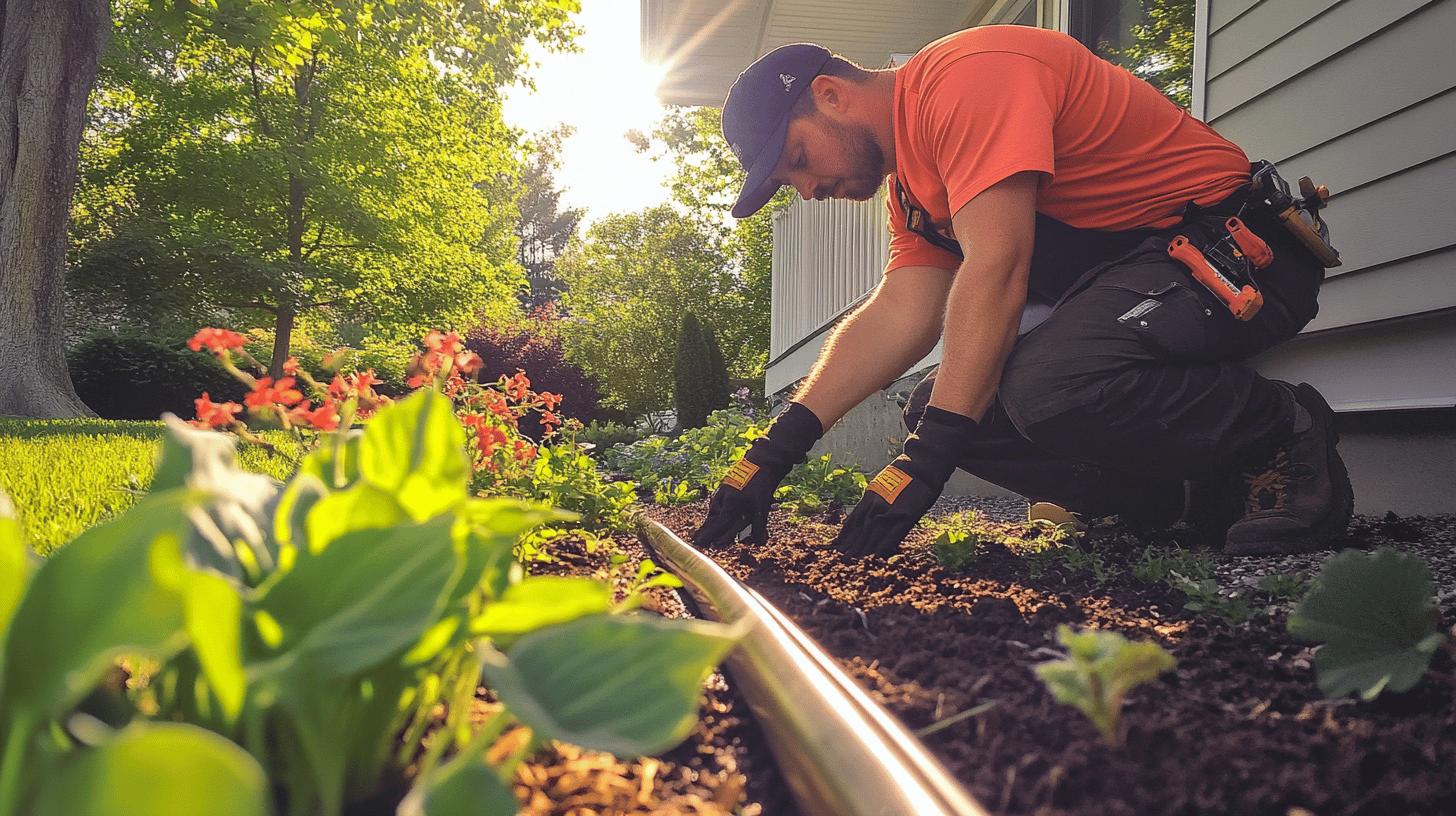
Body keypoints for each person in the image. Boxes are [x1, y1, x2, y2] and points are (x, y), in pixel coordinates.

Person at [691, 25, 1353, 557]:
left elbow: (998, 266)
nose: (808, 191)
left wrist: (923, 468)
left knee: (1042, 385)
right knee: (939, 411)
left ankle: (1281, 429)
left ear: (831, 95)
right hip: (1150, 288)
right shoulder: (914, 192)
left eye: (799, 162)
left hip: (1240, 259)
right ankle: (1172, 501)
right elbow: (901, 314)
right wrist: (773, 451)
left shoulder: (968, 78)